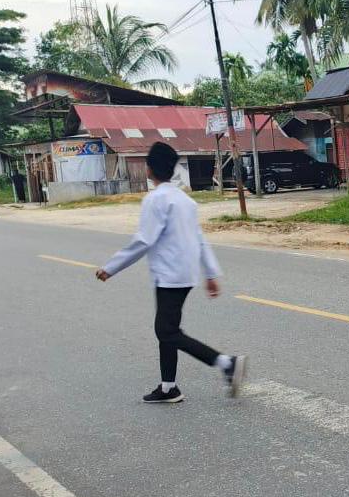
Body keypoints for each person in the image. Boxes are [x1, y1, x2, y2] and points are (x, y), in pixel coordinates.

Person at [95, 142, 246, 404]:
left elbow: (144, 240)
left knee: (166, 331)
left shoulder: (155, 199)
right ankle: (168, 387)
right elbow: (199, 239)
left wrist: (111, 268)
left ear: (150, 168)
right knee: (168, 329)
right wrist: (210, 273)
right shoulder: (185, 200)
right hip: (185, 274)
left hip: (169, 275)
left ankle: (226, 363)